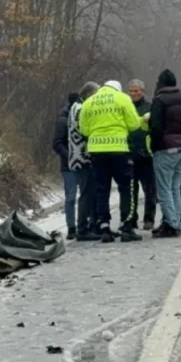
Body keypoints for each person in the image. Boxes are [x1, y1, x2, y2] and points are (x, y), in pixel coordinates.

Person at [79, 80, 143, 242]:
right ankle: (127, 226)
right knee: (125, 188)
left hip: (97, 151)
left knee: (102, 190)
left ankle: (104, 227)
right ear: (118, 89)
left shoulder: (89, 102)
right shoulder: (122, 99)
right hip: (119, 149)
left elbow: (84, 129)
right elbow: (135, 124)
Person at [148, 69, 181, 237]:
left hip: (165, 148)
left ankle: (172, 224)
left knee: (164, 189)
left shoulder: (160, 101)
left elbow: (156, 127)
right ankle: (177, 220)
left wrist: (154, 146)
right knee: (175, 187)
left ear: (161, 83)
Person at [69, 82, 101, 241]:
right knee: (86, 194)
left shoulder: (77, 106)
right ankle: (82, 228)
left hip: (81, 158)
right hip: (82, 158)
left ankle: (91, 225)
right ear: (89, 95)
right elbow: (85, 130)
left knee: (90, 193)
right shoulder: (80, 109)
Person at [127, 79, 157, 230]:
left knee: (150, 190)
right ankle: (131, 218)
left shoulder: (150, 107)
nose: (134, 93)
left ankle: (149, 219)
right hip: (129, 154)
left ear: (143, 92)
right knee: (131, 191)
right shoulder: (125, 107)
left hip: (146, 155)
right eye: (131, 91)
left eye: (136, 90)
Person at [52, 92, 81, 239]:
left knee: (84, 196)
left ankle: (83, 224)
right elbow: (57, 143)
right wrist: (71, 155)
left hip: (83, 163)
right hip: (68, 165)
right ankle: (71, 227)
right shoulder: (62, 120)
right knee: (71, 197)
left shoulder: (82, 116)